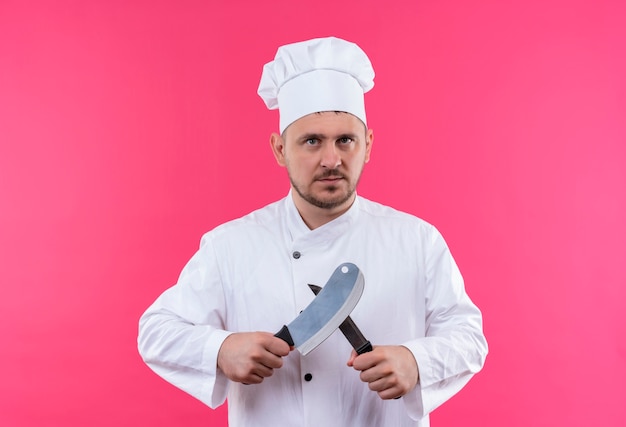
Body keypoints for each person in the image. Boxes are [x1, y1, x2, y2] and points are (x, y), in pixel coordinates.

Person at [138, 36, 488, 427]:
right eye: (311, 141)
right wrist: (220, 349)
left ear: (368, 145)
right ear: (279, 149)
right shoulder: (229, 246)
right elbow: (155, 332)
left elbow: (469, 339)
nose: (331, 159)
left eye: (345, 140)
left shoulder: (418, 241)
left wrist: (417, 362)